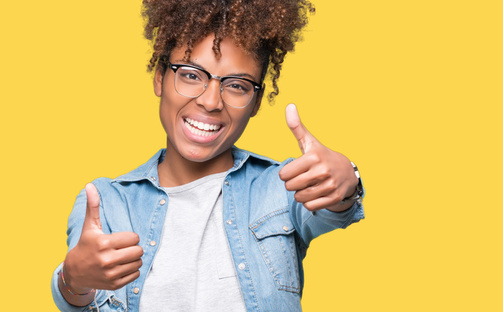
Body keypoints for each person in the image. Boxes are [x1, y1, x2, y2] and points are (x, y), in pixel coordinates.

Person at [50, 1, 365, 311]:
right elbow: (78, 294)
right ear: (160, 77)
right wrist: (73, 281)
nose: (211, 101)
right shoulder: (105, 203)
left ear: (255, 102)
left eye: (237, 85)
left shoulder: (282, 187)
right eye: (191, 75)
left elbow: (334, 207)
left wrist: (347, 180)